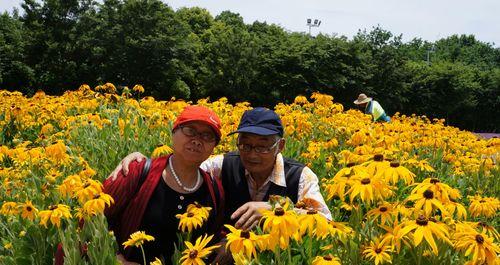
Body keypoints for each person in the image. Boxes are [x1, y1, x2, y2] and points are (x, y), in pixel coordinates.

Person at [109, 107, 332, 232]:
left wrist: (274, 209)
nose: (252, 154)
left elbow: (326, 222)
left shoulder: (300, 175)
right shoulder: (223, 164)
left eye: (263, 147)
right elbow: (186, 167)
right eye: (245, 145)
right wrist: (139, 160)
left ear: (280, 146)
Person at [103, 106, 224, 265]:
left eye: (207, 136)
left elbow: (213, 240)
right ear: (174, 132)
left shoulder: (214, 189)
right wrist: (114, 259)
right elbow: (92, 224)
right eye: (189, 130)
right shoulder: (137, 172)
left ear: (214, 146)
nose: (197, 140)